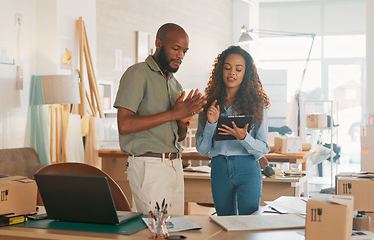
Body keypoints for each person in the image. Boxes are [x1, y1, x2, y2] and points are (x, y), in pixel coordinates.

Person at [114, 23, 206, 216]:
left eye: (184, 51)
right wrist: (174, 113)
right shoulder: (137, 74)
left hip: (174, 165)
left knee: (177, 230)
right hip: (149, 166)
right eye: (175, 48)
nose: (180, 55)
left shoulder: (175, 84)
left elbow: (179, 136)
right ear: (158, 43)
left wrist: (183, 120)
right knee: (155, 231)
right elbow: (124, 124)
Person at [195, 45, 270, 216]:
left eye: (238, 69)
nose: (232, 73)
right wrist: (211, 124)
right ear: (220, 70)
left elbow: (264, 148)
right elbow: (202, 149)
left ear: (246, 73)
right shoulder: (209, 104)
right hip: (219, 168)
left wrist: (244, 138)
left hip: (248, 168)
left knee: (249, 224)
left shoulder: (257, 104)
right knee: (224, 223)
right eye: (227, 67)